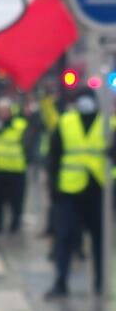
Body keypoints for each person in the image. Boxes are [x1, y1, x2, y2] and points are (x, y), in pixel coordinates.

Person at [45, 88, 114, 298]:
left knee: (100, 241)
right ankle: (61, 282)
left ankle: (101, 283)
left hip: (99, 191)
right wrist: (54, 188)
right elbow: (54, 157)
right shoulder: (65, 122)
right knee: (64, 237)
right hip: (70, 191)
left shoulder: (109, 124)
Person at [0, 97, 30, 233]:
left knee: (16, 200)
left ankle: (15, 223)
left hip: (16, 169)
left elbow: (28, 142)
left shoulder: (20, 124)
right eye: (0, 110)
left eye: (5, 110)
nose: (2, 113)